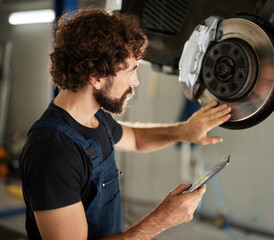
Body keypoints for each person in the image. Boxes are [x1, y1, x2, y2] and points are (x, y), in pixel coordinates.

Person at [19, 8, 232, 240]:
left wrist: (184, 131)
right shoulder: (53, 152)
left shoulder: (96, 117)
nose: (136, 82)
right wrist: (163, 219)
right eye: (131, 71)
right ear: (96, 77)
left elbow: (137, 139)